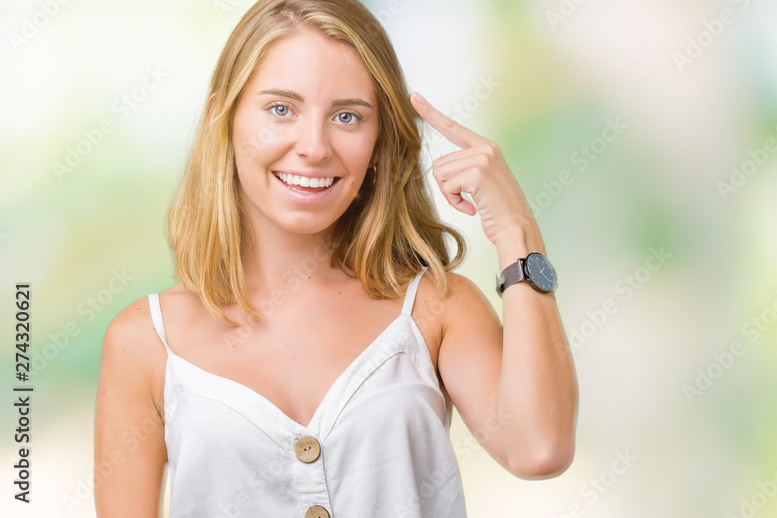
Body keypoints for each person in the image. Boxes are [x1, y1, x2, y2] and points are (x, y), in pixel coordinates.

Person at [93, 0, 578, 516]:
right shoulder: (144, 342)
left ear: (378, 139)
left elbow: (538, 448)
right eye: (281, 109)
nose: (315, 147)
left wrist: (517, 233)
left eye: (347, 116)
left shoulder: (437, 307)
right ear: (223, 117)